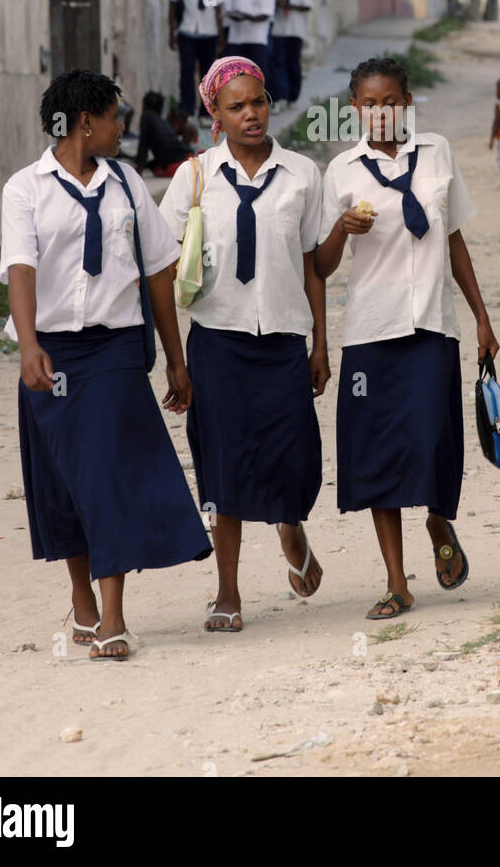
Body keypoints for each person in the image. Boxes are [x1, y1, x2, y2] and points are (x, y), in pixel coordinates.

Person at [0, 70, 211, 662]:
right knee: (67, 479)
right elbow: (21, 267)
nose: (124, 126)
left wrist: (175, 358)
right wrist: (28, 345)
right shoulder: (26, 189)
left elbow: (159, 272)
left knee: (111, 473)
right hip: (53, 351)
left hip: (115, 349)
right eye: (115, 116)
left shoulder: (127, 185)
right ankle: (81, 598)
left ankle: (114, 616)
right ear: (85, 122)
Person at [314, 56, 499, 621]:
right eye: (370, 105)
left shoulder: (437, 152)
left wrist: (482, 319)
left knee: (435, 440)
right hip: (371, 334)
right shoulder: (342, 172)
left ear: (408, 103)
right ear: (354, 111)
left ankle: (439, 518)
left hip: (431, 325)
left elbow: (455, 240)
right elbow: (319, 267)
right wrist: (341, 231)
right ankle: (397, 580)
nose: (382, 112)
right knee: (377, 458)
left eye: (391, 101)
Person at [158, 56, 330, 633]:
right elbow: (162, 262)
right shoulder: (194, 177)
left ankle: (290, 524)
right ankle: (227, 592)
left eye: (257, 102)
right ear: (215, 112)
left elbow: (313, 268)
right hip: (219, 343)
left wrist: (320, 344)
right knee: (223, 472)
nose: (251, 114)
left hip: (283, 340)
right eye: (237, 106)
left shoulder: (302, 174)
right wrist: (174, 361)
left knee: (297, 457)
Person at [168, 0, 225, 118]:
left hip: (208, 32)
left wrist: (220, 35)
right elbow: (173, 3)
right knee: (187, 71)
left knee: (207, 74)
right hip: (187, 30)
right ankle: (188, 109)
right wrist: (171, 32)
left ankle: (206, 111)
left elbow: (216, 7)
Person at [223, 0, 275, 89]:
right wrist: (238, 15)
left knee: (257, 76)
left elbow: (266, 13)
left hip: (257, 39)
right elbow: (228, 9)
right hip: (236, 38)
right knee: (235, 76)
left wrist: (247, 17)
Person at [271, 0, 311, 111]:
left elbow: (307, 5)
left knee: (293, 64)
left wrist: (289, 6)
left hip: (295, 31)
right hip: (279, 31)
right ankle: (280, 95)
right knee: (279, 64)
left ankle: (292, 97)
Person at [135, 91, 194, 177]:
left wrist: (138, 172)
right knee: (151, 165)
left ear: (144, 106)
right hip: (187, 159)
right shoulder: (160, 120)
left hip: (177, 166)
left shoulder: (146, 116)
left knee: (152, 168)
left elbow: (143, 146)